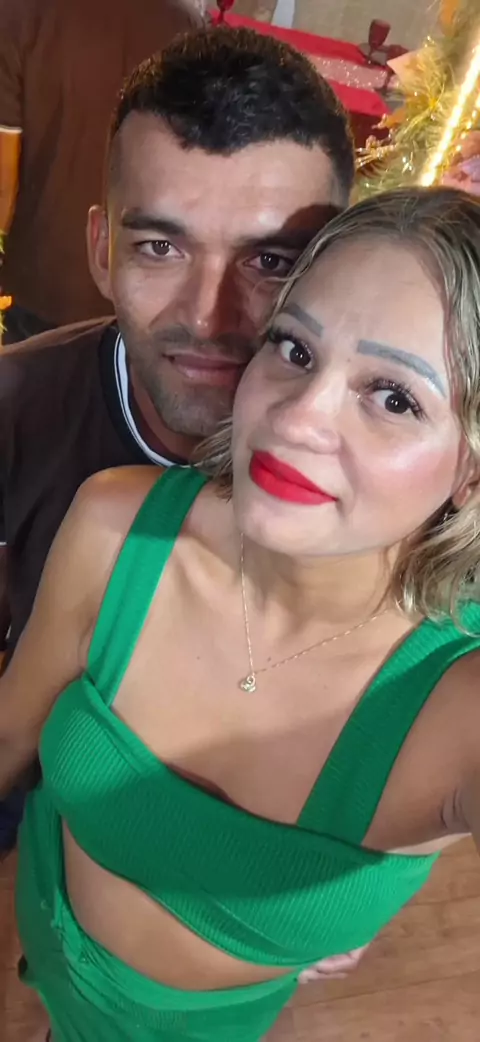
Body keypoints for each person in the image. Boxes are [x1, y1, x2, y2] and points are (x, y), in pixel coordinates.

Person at [2, 184, 480, 1041]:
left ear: (471, 472)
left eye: (394, 397)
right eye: (294, 348)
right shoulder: (117, 526)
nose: (297, 418)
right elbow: (8, 735)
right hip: (44, 912)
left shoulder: (458, 700)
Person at [0, 0, 204, 342]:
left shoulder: (20, 12)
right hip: (142, 282)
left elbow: (3, 183)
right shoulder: (181, 20)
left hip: (41, 278)